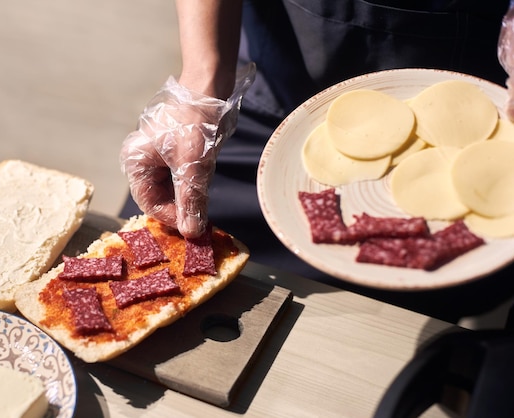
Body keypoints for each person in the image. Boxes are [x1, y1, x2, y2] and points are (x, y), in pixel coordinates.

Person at [120, 0, 514, 324]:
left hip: (464, 117)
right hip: (274, 82)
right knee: (149, 250)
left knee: (376, 329)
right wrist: (201, 84)